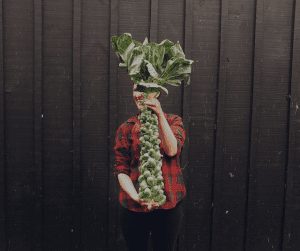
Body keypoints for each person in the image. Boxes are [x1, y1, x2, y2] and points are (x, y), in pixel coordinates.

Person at [113, 82, 187, 251]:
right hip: (133, 206)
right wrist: (135, 196)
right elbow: (121, 169)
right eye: (135, 89)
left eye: (145, 89)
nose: (139, 94)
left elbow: (171, 150)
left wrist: (159, 114)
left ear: (158, 92)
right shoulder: (126, 128)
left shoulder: (173, 121)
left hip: (168, 206)